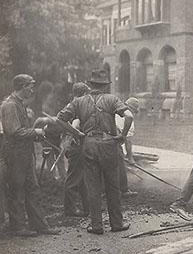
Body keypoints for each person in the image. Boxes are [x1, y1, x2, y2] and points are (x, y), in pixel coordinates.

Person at [57, 69, 134, 234]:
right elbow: (129, 116)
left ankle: (97, 225)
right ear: (105, 86)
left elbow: (60, 118)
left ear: (91, 85)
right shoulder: (112, 99)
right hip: (108, 144)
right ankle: (117, 224)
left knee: (93, 187)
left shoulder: (79, 101)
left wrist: (76, 133)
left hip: (89, 144)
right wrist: (122, 135)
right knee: (113, 186)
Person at [0, 74, 60, 236]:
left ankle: (40, 225)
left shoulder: (19, 104)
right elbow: (14, 131)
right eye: (30, 86)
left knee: (33, 189)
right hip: (15, 155)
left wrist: (35, 133)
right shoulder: (10, 105)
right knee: (17, 190)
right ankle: (18, 227)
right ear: (22, 86)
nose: (32, 90)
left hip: (24, 153)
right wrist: (36, 131)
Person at [61, 82, 90, 217]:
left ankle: (87, 207)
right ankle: (70, 209)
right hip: (75, 144)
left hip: (78, 144)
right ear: (83, 94)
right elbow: (60, 119)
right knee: (73, 177)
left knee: (82, 177)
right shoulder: (74, 105)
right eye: (87, 94)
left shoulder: (77, 105)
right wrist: (76, 132)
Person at [117, 97, 140, 197]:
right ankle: (123, 190)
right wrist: (130, 158)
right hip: (113, 143)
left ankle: (105, 190)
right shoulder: (128, 117)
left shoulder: (115, 111)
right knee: (121, 166)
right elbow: (128, 140)